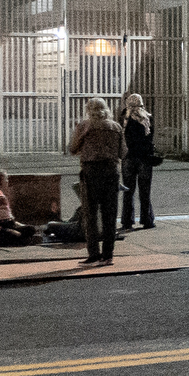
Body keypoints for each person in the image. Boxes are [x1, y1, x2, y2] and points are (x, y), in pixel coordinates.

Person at [70, 98, 125, 264]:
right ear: (106, 109)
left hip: (91, 171)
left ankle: (94, 254)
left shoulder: (84, 126)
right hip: (111, 171)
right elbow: (123, 152)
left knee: (91, 215)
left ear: (88, 110)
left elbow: (72, 149)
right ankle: (108, 255)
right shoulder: (116, 127)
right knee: (110, 214)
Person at [121, 93, 159, 231]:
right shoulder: (148, 118)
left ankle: (127, 221)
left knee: (128, 191)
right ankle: (147, 219)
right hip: (144, 158)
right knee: (145, 191)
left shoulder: (124, 118)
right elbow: (150, 138)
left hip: (128, 159)